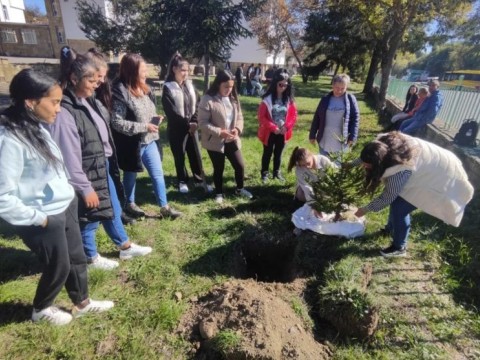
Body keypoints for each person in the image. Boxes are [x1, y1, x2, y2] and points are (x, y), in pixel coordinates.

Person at [0, 69, 114, 325]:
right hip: (43, 216)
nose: (59, 109)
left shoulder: (37, 128)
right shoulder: (10, 139)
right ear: (31, 102)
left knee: (76, 259)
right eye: (54, 102)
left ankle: (82, 302)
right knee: (58, 266)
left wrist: (71, 195)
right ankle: (41, 309)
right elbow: (2, 196)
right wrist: (39, 219)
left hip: (65, 206)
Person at [49, 47, 152, 271]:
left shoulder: (87, 98)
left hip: (101, 163)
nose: (99, 83)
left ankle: (124, 246)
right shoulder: (65, 110)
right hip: (86, 170)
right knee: (90, 215)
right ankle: (90, 257)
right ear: (75, 78)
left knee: (111, 207)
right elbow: (68, 155)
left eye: (100, 79)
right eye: (93, 80)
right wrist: (85, 187)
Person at [353, 132, 474, 257]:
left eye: (367, 166)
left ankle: (399, 248)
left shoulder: (400, 169)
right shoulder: (381, 144)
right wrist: (350, 164)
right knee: (398, 201)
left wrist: (365, 209)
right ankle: (392, 229)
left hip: (441, 176)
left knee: (400, 207)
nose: (364, 166)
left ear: (379, 163)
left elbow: (388, 196)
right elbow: (367, 158)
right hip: (430, 164)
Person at [111, 53, 182, 219]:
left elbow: (147, 110)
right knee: (130, 175)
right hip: (132, 144)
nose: (146, 74)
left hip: (150, 141)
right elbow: (117, 122)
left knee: (157, 174)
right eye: (143, 70)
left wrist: (155, 118)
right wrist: (144, 126)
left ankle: (164, 208)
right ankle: (129, 204)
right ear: (132, 71)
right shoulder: (120, 93)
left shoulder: (144, 88)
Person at [85, 48, 136, 226]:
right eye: (98, 76)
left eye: (104, 76)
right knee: (105, 186)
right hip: (94, 152)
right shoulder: (84, 98)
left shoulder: (103, 91)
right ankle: (110, 219)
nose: (102, 80)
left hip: (108, 146)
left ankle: (118, 212)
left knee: (113, 181)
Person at [198, 69, 253, 204]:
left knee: (240, 166)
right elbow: (203, 123)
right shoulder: (207, 99)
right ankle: (219, 193)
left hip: (231, 139)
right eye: (226, 86)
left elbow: (240, 117)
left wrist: (237, 129)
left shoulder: (233, 99)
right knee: (219, 168)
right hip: (215, 141)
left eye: (231, 86)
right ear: (218, 84)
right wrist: (219, 132)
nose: (229, 89)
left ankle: (239, 189)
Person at [162, 53, 209, 194]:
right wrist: (187, 125)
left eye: (187, 70)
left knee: (195, 153)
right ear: (174, 69)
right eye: (183, 70)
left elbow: (198, 103)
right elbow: (172, 112)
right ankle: (182, 180)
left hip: (192, 128)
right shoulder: (168, 88)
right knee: (179, 155)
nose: (186, 73)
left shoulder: (190, 85)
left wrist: (194, 121)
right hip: (177, 129)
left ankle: (198, 179)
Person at [257, 68, 298, 183]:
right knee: (267, 153)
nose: (283, 87)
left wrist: (286, 127)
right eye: (281, 84)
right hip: (269, 133)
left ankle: (276, 172)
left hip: (283, 133)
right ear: (275, 83)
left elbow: (293, 116)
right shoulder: (267, 100)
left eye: (286, 85)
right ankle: (264, 173)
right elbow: (261, 117)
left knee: (278, 154)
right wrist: (273, 128)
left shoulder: (289, 100)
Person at [309, 74, 360, 156]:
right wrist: (312, 135)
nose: (339, 91)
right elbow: (317, 117)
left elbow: (355, 119)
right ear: (333, 85)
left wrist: (352, 137)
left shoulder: (350, 99)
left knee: (337, 166)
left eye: (342, 88)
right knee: (324, 165)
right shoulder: (325, 99)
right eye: (337, 88)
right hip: (325, 138)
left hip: (341, 141)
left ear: (346, 87)